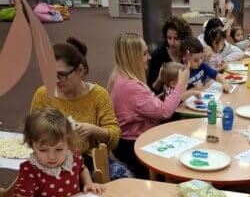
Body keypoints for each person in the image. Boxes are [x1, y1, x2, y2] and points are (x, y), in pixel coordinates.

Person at [108, 33, 190, 179]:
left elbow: (145, 104)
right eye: (145, 54)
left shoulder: (118, 76)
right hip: (133, 144)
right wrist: (180, 85)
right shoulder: (131, 86)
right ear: (133, 57)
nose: (149, 57)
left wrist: (163, 93)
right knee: (182, 137)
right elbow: (165, 111)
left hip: (125, 142)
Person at [13, 108, 105, 197]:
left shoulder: (73, 157)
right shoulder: (30, 169)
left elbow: (82, 169)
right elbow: (21, 196)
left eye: (59, 149)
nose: (52, 156)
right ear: (32, 145)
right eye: (43, 150)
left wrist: (88, 183)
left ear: (68, 142)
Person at [31, 37, 120, 159]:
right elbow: (32, 132)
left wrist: (94, 129)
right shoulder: (43, 94)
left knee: (125, 176)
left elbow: (114, 137)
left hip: (89, 160)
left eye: (62, 75)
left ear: (80, 70)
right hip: (52, 159)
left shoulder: (99, 95)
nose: (55, 80)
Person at [147, 16, 192, 94]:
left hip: (184, 97)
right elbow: (151, 91)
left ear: (184, 39)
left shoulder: (187, 52)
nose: (172, 43)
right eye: (169, 38)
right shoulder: (158, 55)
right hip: (163, 100)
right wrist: (160, 79)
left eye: (176, 38)